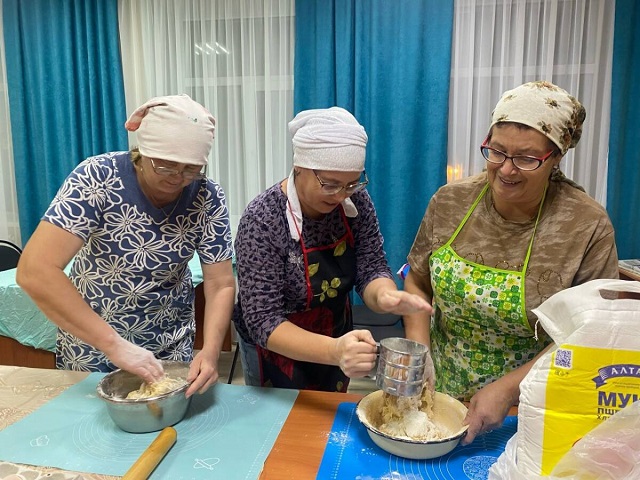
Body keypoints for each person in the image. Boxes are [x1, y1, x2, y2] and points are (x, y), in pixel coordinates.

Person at [402, 81, 619, 444]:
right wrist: (421, 351)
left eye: (526, 158)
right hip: (440, 392)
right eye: (497, 152)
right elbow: (417, 283)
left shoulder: (586, 225)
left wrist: (509, 389)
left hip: (535, 404)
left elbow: (591, 331)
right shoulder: (450, 202)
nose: (506, 170)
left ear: (556, 158)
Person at [17, 94, 235, 397]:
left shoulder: (206, 195)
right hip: (92, 343)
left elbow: (221, 283)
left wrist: (210, 352)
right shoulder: (97, 178)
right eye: (166, 165)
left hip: (169, 344)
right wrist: (113, 345)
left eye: (190, 169)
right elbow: (34, 271)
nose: (178, 179)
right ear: (141, 152)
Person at [232, 106, 431, 392]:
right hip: (276, 348)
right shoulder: (263, 219)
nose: (340, 196)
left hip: (335, 333)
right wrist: (334, 351)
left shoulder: (357, 203)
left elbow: (371, 266)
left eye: (351, 184)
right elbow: (263, 320)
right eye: (329, 184)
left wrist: (384, 295)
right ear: (299, 166)